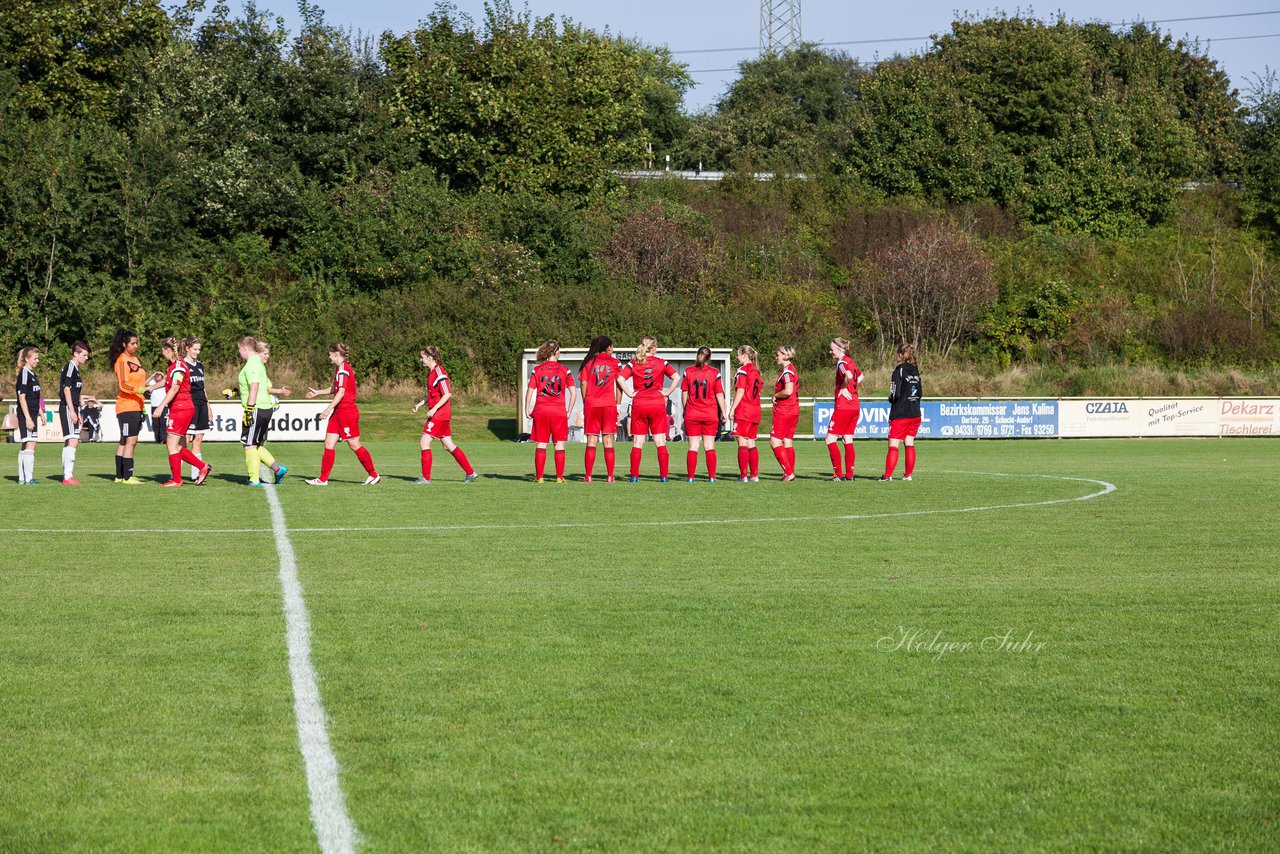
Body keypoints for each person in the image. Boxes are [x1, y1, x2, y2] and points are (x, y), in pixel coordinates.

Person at [304, 342, 379, 486]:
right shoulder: (340, 369)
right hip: (338, 413)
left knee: (354, 444)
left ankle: (373, 474)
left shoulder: (344, 369)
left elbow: (342, 392)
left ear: (336, 354)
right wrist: (318, 393)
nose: (328, 356)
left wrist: (327, 409)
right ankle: (323, 479)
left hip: (347, 412)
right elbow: (336, 388)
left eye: (329, 354)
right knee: (328, 443)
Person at [412, 346, 478, 484]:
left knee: (424, 441)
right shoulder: (431, 373)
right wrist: (419, 404)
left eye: (422, 357)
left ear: (429, 358)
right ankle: (470, 473)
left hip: (440, 414)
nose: (421, 360)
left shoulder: (439, 372)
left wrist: (434, 409)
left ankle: (426, 478)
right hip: (441, 414)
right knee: (448, 445)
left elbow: (447, 393)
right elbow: (431, 395)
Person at [152, 337, 212, 486]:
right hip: (183, 407)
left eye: (163, 351)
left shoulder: (178, 366)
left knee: (173, 444)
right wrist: (150, 388)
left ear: (167, 350)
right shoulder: (176, 365)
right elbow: (169, 383)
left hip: (181, 407)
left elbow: (175, 387)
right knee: (175, 444)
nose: (163, 354)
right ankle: (194, 470)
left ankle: (180, 477)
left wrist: (161, 406)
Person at [620, 336, 678, 482]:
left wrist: (630, 393)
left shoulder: (634, 362)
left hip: (639, 403)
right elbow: (676, 377)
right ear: (654, 348)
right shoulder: (661, 362)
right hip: (657, 404)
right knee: (660, 441)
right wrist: (666, 393)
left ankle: (634, 477)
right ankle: (664, 477)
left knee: (638, 442)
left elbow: (620, 378)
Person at [108, 329, 162, 484]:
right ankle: (127, 476)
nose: (136, 346)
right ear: (124, 344)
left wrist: (145, 391)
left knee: (125, 440)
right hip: (126, 406)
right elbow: (124, 385)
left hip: (137, 406)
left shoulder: (135, 359)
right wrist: (140, 390)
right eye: (132, 343)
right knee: (131, 440)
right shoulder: (122, 360)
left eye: (136, 343)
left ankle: (119, 476)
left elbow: (137, 383)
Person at [524, 339, 577, 482]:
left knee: (541, 443)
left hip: (541, 410)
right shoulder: (565, 370)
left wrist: (527, 408)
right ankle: (559, 477)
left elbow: (530, 391)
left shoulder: (538, 369)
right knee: (559, 444)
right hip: (558, 411)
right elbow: (574, 393)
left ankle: (540, 478)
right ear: (557, 352)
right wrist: (569, 411)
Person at [577, 335, 624, 483]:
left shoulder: (588, 363)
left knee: (591, 439)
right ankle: (610, 476)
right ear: (608, 347)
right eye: (612, 347)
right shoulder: (615, 363)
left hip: (592, 404)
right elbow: (619, 385)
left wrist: (586, 402)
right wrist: (618, 404)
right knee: (608, 440)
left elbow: (583, 384)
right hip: (608, 404)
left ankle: (588, 476)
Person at [681, 346, 728, 482]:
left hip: (692, 413)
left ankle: (690, 477)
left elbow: (684, 393)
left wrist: (685, 410)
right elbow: (720, 394)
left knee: (693, 446)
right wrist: (724, 412)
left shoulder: (688, 371)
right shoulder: (714, 373)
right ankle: (712, 477)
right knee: (709, 446)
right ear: (710, 358)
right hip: (710, 414)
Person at [247, 339, 289, 485]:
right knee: (256, 445)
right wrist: (281, 391)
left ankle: (254, 478)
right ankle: (278, 469)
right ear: (257, 353)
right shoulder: (259, 367)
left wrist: (249, 409)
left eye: (267, 353)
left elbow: (257, 388)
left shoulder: (255, 366)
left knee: (250, 444)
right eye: (266, 353)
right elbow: (265, 387)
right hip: (264, 409)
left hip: (259, 409)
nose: (267, 356)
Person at [881, 343, 923, 482]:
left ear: (900, 355)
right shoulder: (916, 370)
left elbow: (895, 392)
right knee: (909, 443)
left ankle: (887, 476)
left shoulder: (898, 370)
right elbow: (920, 393)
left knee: (893, 444)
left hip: (901, 413)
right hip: (915, 412)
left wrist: (891, 399)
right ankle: (908, 475)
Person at [58, 341, 98, 485]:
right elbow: (66, 389)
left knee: (72, 440)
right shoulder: (70, 367)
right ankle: (67, 477)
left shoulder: (76, 369)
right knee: (73, 440)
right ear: (76, 354)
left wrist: (79, 406)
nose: (86, 358)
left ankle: (67, 475)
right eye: (84, 355)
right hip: (68, 407)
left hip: (73, 407)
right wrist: (72, 410)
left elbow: (74, 391)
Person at [826, 337, 864, 481]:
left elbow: (848, 376)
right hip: (854, 404)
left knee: (830, 439)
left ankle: (838, 474)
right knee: (848, 439)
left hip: (844, 406)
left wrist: (843, 387)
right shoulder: (850, 361)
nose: (830, 352)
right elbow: (860, 377)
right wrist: (851, 388)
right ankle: (850, 475)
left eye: (832, 349)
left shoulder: (842, 362)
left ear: (839, 350)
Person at [728, 345, 763, 482]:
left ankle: (743, 475)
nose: (737, 357)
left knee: (742, 441)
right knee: (751, 443)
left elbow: (740, 391)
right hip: (755, 410)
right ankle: (754, 475)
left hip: (745, 410)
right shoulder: (756, 371)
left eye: (738, 355)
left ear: (744, 355)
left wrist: (732, 409)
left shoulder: (743, 370)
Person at [769, 345, 800, 481]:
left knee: (774, 441)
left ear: (785, 356)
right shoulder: (790, 370)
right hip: (793, 409)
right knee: (787, 441)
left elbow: (788, 390)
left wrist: (776, 395)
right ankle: (789, 472)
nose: (776, 357)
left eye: (778, 354)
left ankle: (788, 472)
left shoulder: (788, 372)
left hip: (785, 410)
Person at [14, 347, 42, 484]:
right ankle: (28, 478)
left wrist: (40, 412)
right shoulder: (24, 374)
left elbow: (36, 396)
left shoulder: (32, 374)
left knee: (27, 444)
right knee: (30, 443)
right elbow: (22, 397)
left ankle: (22, 478)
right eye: (35, 358)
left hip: (33, 413)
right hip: (26, 414)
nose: (37, 361)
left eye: (38, 358)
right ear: (26, 359)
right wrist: (28, 418)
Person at [184, 337, 211, 479]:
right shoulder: (182, 365)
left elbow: (203, 388)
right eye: (195, 349)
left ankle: (197, 473)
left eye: (199, 349)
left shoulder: (200, 365)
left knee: (198, 439)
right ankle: (175, 473)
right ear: (187, 348)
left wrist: (208, 406)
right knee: (186, 439)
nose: (197, 352)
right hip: (190, 405)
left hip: (202, 405)